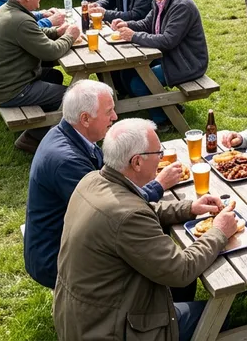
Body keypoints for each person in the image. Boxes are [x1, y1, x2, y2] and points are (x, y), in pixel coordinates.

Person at [53, 118, 238, 341]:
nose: (162, 158)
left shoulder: (93, 180)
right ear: (137, 162)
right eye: (158, 153)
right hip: (110, 330)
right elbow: (181, 270)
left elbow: (143, 208)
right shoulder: (128, 217)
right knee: (220, 314)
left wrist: (190, 208)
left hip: (82, 316)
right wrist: (218, 231)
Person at [24, 81, 186, 290]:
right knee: (152, 252)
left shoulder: (72, 136)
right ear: (85, 119)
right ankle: (170, 308)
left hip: (64, 238)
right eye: (109, 111)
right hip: (55, 257)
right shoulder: (67, 162)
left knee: (153, 234)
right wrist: (158, 185)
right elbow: (112, 208)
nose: (115, 117)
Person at [0, 0, 81, 153]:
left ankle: (41, 121)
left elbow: (34, 35)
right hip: (10, 90)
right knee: (71, 97)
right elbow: (50, 52)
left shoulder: (6, 11)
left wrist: (57, 32)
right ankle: (32, 137)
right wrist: (70, 36)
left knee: (54, 75)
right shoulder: (20, 20)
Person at [111, 0, 209, 126]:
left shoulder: (181, 6)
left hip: (186, 63)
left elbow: (168, 40)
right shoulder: (160, 0)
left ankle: (164, 120)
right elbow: (148, 24)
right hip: (171, 56)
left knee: (139, 83)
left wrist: (133, 36)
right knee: (126, 73)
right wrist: (127, 25)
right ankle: (170, 107)